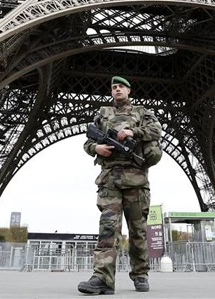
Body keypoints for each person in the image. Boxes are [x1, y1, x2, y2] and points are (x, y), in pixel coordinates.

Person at [78, 76, 162, 295]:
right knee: (107, 231)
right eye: (114, 87)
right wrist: (96, 148)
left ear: (129, 90)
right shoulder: (103, 114)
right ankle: (102, 278)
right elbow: (87, 142)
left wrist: (134, 132)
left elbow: (157, 131)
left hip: (136, 180)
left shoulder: (143, 113)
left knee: (138, 232)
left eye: (121, 86)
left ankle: (141, 274)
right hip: (110, 180)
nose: (117, 89)